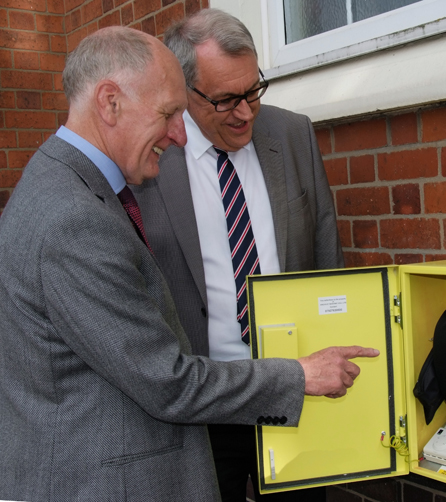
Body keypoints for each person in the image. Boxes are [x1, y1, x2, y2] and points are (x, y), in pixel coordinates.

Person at [0, 26, 378, 502]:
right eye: (168, 113)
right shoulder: (74, 217)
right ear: (110, 102)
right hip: (114, 468)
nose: (180, 133)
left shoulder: (65, 186)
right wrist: (300, 375)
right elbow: (165, 381)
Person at [133, 9, 344, 501]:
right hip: (204, 407)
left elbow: (327, 255)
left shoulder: (293, 136)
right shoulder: (150, 157)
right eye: (227, 99)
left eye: (253, 91)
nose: (246, 112)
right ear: (185, 92)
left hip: (295, 393)